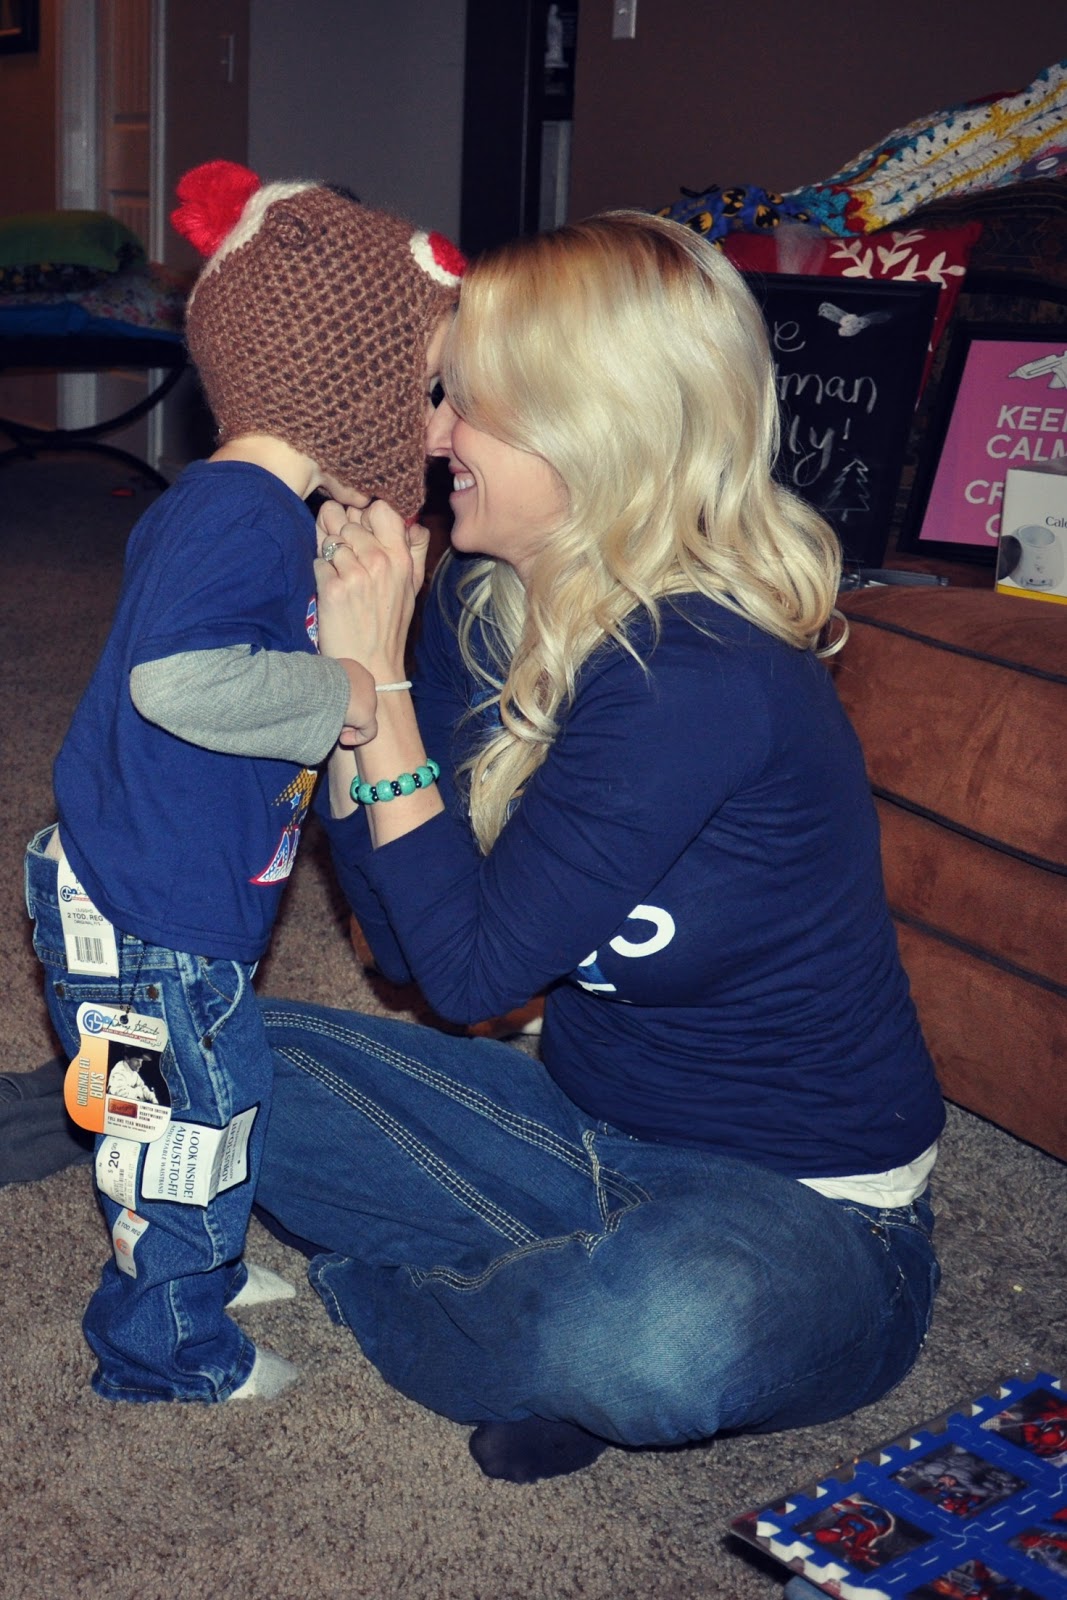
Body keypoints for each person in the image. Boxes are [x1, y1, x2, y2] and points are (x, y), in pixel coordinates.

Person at [248, 209, 946, 1481]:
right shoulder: (486, 607)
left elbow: (470, 976)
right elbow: (407, 951)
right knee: (218, 1055)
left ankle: (424, 1298)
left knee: (663, 1337)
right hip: (572, 1131)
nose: (431, 437)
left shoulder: (698, 671)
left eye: (464, 405)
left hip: (806, 1214)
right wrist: (353, 700)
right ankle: (536, 1313)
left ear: (589, 428)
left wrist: (376, 688)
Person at [22, 159, 464, 1403]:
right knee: (189, 1120)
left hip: (138, 895)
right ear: (353, 377)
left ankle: (181, 1262)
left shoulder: (254, 511)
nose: (438, 428)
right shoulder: (238, 511)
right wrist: (347, 691)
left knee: (154, 1118)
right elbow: (177, 679)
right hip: (147, 914)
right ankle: (168, 1347)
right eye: (431, 389)